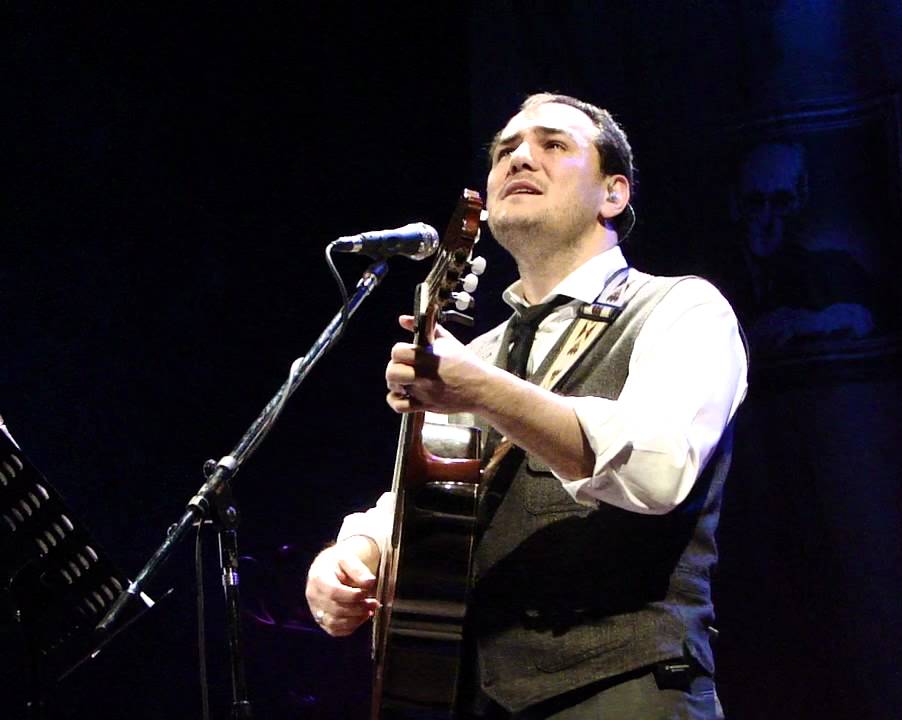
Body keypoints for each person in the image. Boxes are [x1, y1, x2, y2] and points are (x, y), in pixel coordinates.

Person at [305, 93, 748, 719]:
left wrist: (482, 389)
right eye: (504, 151)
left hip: (623, 687)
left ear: (613, 193)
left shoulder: (682, 309)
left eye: (553, 145)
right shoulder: (479, 355)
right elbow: (431, 498)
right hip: (479, 697)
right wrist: (355, 554)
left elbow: (658, 469)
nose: (519, 158)